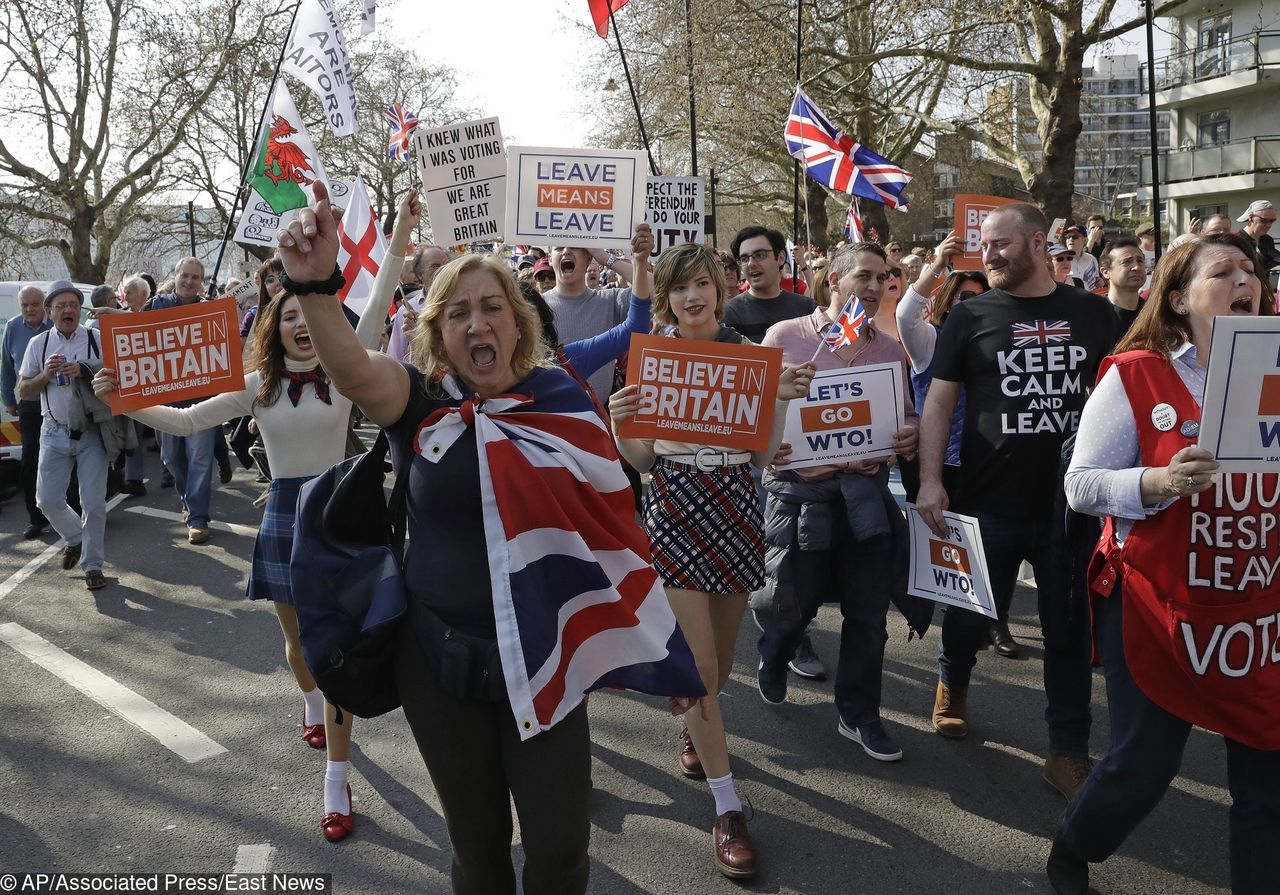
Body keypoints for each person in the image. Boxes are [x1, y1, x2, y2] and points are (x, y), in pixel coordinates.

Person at [276, 182, 702, 894]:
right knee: (477, 852)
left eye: (493, 306)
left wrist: (664, 653)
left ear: (518, 324)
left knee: (561, 851)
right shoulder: (417, 405)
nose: (478, 322)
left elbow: (614, 532)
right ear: (439, 332)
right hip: (437, 663)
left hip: (545, 658)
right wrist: (316, 284)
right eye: (460, 311)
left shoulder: (562, 402)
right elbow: (351, 368)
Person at [1047, 232, 1279, 895]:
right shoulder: (1137, 375)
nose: (1245, 280)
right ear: (1179, 299)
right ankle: (1074, 843)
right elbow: (1082, 485)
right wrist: (1158, 483)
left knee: (1268, 778)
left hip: (1257, 610)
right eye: (1224, 270)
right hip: (1159, 605)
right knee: (1142, 765)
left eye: (1251, 271)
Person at [610, 242, 814, 880]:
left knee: (721, 664)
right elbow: (641, 462)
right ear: (666, 297)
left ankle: (696, 730)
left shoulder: (749, 361)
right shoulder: (649, 362)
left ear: (718, 292)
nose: (691, 297)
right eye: (679, 288)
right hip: (673, 504)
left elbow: (759, 459)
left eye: (702, 285)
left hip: (732, 505)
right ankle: (728, 809)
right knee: (697, 668)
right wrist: (621, 425)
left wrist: (778, 397)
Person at [917, 204, 1116, 800]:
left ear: (1039, 241)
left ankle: (1067, 750)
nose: (990, 255)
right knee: (969, 613)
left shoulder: (1094, 313)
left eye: (1001, 244)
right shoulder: (970, 314)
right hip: (987, 503)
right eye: (985, 245)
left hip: (1070, 507)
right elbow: (939, 404)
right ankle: (953, 682)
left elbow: (1125, 391)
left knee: (1068, 631)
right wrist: (930, 479)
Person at [756, 242, 919, 763]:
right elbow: (753, 407)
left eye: (883, 278)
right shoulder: (786, 338)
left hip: (865, 498)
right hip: (800, 496)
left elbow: (907, 415)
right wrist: (771, 431)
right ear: (833, 280)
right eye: (864, 277)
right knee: (791, 605)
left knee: (868, 616)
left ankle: (859, 714)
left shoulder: (890, 350)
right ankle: (775, 654)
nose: (874, 288)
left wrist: (908, 435)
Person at [16, 282, 108, 590]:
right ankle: (74, 537)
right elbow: (24, 392)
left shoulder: (96, 339)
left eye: (73, 305)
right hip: (52, 431)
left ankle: (93, 566)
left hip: (93, 432)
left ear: (80, 310)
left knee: (93, 503)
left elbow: (120, 377)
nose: (68, 310)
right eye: (61, 306)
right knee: (47, 499)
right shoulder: (39, 345)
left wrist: (85, 370)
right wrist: (44, 374)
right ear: (49, 311)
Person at [895, 230, 987, 505]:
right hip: (937, 466)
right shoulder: (930, 341)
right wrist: (936, 265)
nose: (974, 305)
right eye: (965, 297)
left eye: (983, 298)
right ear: (947, 305)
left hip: (986, 464)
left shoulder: (1000, 343)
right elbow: (906, 315)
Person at [140, 257, 224, 543]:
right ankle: (188, 500)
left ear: (202, 282)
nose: (189, 281)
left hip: (202, 402)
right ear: (175, 277)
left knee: (200, 460)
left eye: (195, 278)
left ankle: (199, 517)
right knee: (172, 459)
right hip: (165, 402)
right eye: (184, 276)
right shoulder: (155, 307)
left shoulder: (210, 311)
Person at [3, 285, 52, 537]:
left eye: (34, 304)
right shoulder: (12, 327)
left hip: (57, 401)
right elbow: (7, 366)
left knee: (61, 457)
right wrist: (8, 399)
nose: (30, 309)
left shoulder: (54, 324)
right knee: (31, 459)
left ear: (44, 304)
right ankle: (36, 518)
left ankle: (67, 510)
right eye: (25, 305)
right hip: (29, 402)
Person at [723, 226, 815, 344]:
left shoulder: (807, 309)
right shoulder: (729, 315)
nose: (751, 264)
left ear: (781, 258)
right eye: (744, 259)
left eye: (760, 255)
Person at [388, 244, 450, 362]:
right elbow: (395, 358)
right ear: (420, 275)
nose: (443, 270)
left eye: (446, 265)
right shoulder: (406, 312)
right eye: (435, 266)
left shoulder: (463, 304)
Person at [1099, 237, 1147, 338]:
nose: (1136, 267)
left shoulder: (1155, 313)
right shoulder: (1094, 315)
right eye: (1126, 262)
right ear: (1106, 272)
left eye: (1140, 261)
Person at [1234, 199, 1280, 268]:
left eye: (1272, 221)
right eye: (1263, 220)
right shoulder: (1236, 239)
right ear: (1251, 217)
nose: (1268, 225)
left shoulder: (1267, 240)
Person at [1062, 226, 1101, 290]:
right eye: (1068, 237)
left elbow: (1097, 280)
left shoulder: (1092, 259)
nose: (1070, 240)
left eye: (1075, 237)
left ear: (1085, 240)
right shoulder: (1061, 260)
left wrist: (1100, 281)